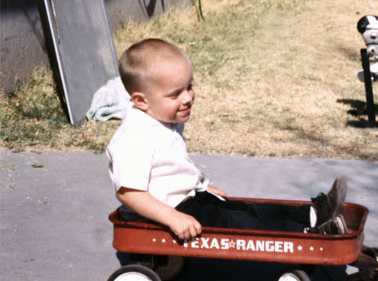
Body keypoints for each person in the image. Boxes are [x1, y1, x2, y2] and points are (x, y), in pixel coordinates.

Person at [107, 38, 348, 241]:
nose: (188, 97)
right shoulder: (134, 138)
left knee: (244, 209)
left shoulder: (161, 119)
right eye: (175, 94)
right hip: (165, 212)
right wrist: (173, 218)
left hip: (187, 200)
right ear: (141, 100)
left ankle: (313, 214)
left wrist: (199, 187)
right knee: (238, 223)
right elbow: (131, 193)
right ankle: (309, 235)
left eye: (189, 86)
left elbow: (169, 170)